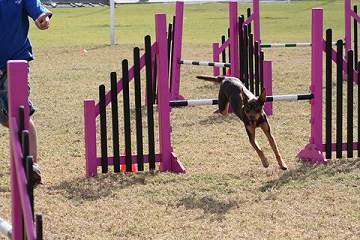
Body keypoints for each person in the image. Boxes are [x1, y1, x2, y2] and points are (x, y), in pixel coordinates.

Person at [0, 0, 53, 185]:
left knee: (21, 116)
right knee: (8, 120)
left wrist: (42, 19)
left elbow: (38, 11)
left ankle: (31, 166)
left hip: (16, 65)